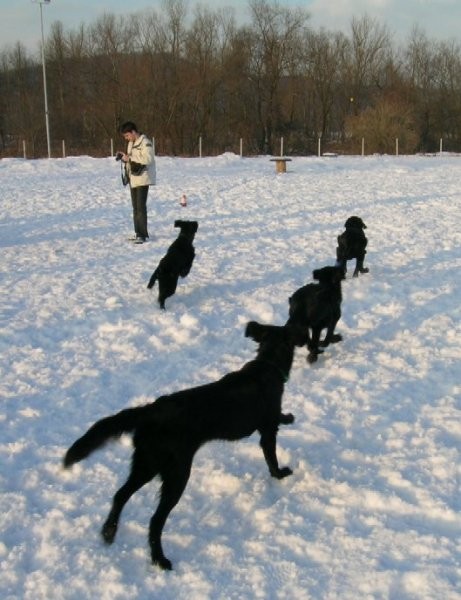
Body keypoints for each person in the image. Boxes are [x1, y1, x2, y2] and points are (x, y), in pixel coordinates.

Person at [118, 121, 156, 244]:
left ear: (133, 132)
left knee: (140, 207)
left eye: (127, 135)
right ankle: (137, 232)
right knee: (135, 207)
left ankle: (142, 234)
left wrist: (130, 158)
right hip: (133, 178)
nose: (126, 138)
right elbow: (131, 158)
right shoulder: (131, 143)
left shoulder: (146, 142)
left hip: (143, 178)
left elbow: (148, 159)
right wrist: (124, 158)